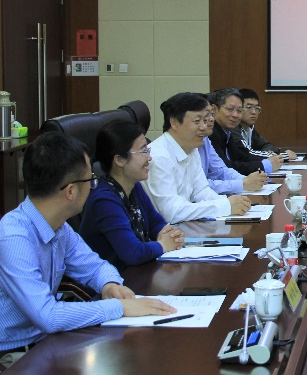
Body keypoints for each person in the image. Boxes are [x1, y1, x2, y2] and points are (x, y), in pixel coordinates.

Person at [0, 133, 176, 356]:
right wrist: (119, 307)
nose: (94, 186)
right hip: (14, 355)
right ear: (70, 191)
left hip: (47, 342)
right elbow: (48, 316)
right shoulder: (14, 237)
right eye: (90, 180)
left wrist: (110, 285)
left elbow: (94, 266)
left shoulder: (59, 227)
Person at [79, 121, 185, 271]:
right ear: (119, 160)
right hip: (115, 281)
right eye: (143, 151)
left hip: (138, 273)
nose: (150, 158)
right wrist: (163, 245)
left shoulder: (133, 186)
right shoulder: (104, 201)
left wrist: (171, 235)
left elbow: (156, 223)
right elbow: (133, 253)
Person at [143, 92, 251, 224]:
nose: (204, 127)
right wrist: (226, 206)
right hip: (163, 231)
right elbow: (172, 213)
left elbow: (201, 192)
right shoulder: (159, 157)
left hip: (184, 227)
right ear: (174, 122)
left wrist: (230, 202)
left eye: (205, 121)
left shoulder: (191, 148)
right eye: (197, 121)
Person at [196, 94, 268, 195]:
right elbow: (198, 187)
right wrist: (242, 183)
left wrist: (246, 180)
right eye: (199, 119)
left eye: (211, 114)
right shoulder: (211, 135)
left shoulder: (206, 138)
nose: (211, 119)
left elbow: (220, 170)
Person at [208, 88, 283, 175]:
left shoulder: (227, 132)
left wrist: (270, 161)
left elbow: (242, 157)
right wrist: (265, 165)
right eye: (230, 109)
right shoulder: (211, 133)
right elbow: (225, 168)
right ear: (214, 109)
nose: (235, 115)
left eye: (239, 111)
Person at [232, 88, 297, 161]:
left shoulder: (249, 128)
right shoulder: (232, 128)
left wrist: (267, 154)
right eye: (249, 107)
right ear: (239, 109)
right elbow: (247, 153)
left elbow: (266, 145)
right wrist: (283, 156)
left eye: (257, 108)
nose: (254, 112)